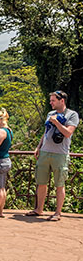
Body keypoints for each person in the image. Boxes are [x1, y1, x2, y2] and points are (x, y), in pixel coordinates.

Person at [27, 90, 78, 221]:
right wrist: (38, 147)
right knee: (41, 183)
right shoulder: (50, 113)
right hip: (45, 152)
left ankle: (58, 213)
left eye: (53, 100)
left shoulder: (72, 115)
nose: (50, 103)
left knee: (59, 184)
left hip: (60, 154)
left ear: (62, 101)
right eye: (50, 100)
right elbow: (46, 132)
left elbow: (67, 133)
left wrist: (56, 122)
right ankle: (39, 209)